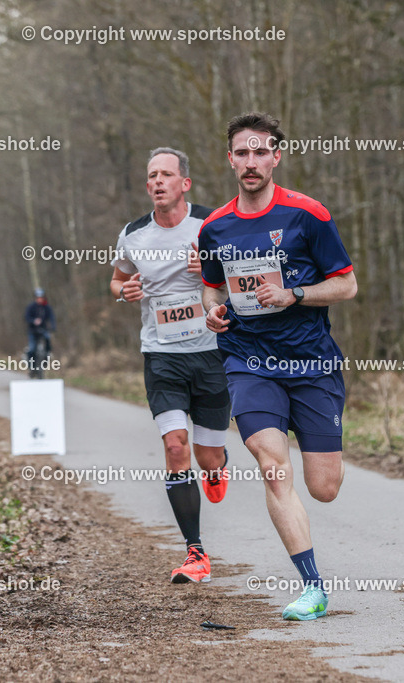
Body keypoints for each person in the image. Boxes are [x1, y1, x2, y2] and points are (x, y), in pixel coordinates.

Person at [199, 113, 357, 620]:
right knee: (272, 465)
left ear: (276, 156)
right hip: (249, 361)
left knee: (324, 489)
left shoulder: (308, 215)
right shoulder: (215, 227)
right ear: (230, 159)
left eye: (259, 152)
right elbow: (210, 286)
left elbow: (347, 285)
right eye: (241, 153)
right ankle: (313, 587)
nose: (250, 162)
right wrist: (212, 312)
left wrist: (295, 293)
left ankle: (308, 432)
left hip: (311, 363)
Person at [110, 147, 231, 584]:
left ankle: (218, 467)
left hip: (212, 352)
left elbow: (243, 277)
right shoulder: (133, 233)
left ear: (185, 183)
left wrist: (212, 267)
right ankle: (195, 553)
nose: (157, 182)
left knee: (207, 455)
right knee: (176, 448)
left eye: (165, 175)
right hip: (161, 355)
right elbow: (118, 279)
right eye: (151, 176)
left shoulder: (213, 224)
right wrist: (123, 292)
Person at [24, 288, 55, 368]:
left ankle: (45, 360)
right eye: (38, 298)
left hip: (43, 329)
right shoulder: (31, 307)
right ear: (35, 298)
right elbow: (26, 317)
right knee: (32, 349)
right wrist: (33, 321)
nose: (40, 299)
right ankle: (31, 366)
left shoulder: (46, 307)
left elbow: (52, 317)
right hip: (33, 330)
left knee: (48, 341)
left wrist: (53, 326)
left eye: (41, 298)